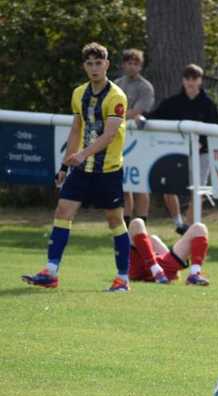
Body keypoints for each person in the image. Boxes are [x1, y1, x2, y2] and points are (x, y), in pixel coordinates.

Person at [22, 42, 130, 292]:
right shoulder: (78, 93)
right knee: (62, 211)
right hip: (82, 169)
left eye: (98, 63)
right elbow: (76, 130)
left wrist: (81, 154)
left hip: (108, 170)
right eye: (89, 64)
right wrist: (64, 166)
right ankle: (51, 272)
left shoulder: (116, 96)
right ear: (84, 66)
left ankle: (122, 279)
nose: (94, 68)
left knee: (114, 220)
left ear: (107, 64)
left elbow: (109, 135)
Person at [147, 64, 218, 234]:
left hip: (201, 154)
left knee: (198, 190)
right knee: (168, 189)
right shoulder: (173, 102)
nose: (190, 82)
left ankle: (188, 225)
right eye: (187, 78)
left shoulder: (209, 105)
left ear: (200, 80)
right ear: (183, 80)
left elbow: (215, 129)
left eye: (194, 78)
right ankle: (179, 223)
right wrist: (140, 117)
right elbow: (154, 116)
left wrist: (202, 143)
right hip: (176, 154)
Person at [116, 48, 155, 226]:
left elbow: (138, 110)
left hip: (140, 141)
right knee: (124, 185)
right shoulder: (116, 84)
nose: (132, 66)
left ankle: (141, 225)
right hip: (120, 139)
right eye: (129, 63)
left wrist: (119, 115)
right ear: (124, 65)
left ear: (140, 66)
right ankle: (125, 226)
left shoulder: (145, 87)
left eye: (136, 63)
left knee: (141, 184)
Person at [127, 218, 209, 285]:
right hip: (141, 269)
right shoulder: (142, 240)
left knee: (199, 227)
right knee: (137, 222)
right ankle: (155, 270)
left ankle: (194, 274)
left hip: (163, 269)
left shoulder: (152, 240)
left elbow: (166, 255)